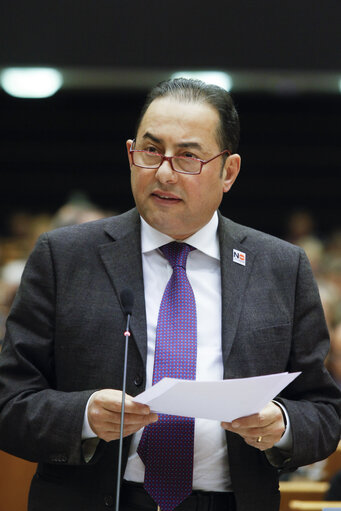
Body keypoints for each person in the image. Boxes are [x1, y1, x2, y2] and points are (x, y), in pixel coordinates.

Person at [0, 78, 340, 511]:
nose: (162, 171)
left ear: (228, 171)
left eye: (188, 157)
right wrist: (83, 415)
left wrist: (283, 424)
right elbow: (9, 400)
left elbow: (325, 411)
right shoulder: (65, 257)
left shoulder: (281, 267)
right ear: (130, 153)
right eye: (150, 150)